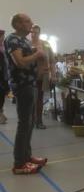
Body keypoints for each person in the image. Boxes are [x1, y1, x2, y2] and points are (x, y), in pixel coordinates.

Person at [4, 14, 48, 174]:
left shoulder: (24, 41)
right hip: (22, 85)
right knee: (24, 124)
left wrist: (38, 54)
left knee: (29, 122)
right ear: (18, 24)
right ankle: (19, 163)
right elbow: (20, 62)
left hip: (31, 84)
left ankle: (27, 157)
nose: (31, 23)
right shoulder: (12, 39)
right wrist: (37, 54)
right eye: (27, 21)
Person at [30, 25, 55, 129]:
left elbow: (52, 61)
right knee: (31, 99)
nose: (34, 34)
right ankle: (31, 120)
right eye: (32, 32)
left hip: (42, 75)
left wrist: (53, 75)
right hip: (29, 76)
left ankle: (39, 121)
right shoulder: (26, 44)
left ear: (39, 33)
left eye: (36, 32)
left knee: (39, 98)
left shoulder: (46, 44)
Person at [0, 30, 9, 124]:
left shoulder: (3, 48)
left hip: (4, 76)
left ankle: (1, 113)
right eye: (2, 36)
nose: (3, 38)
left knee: (2, 96)